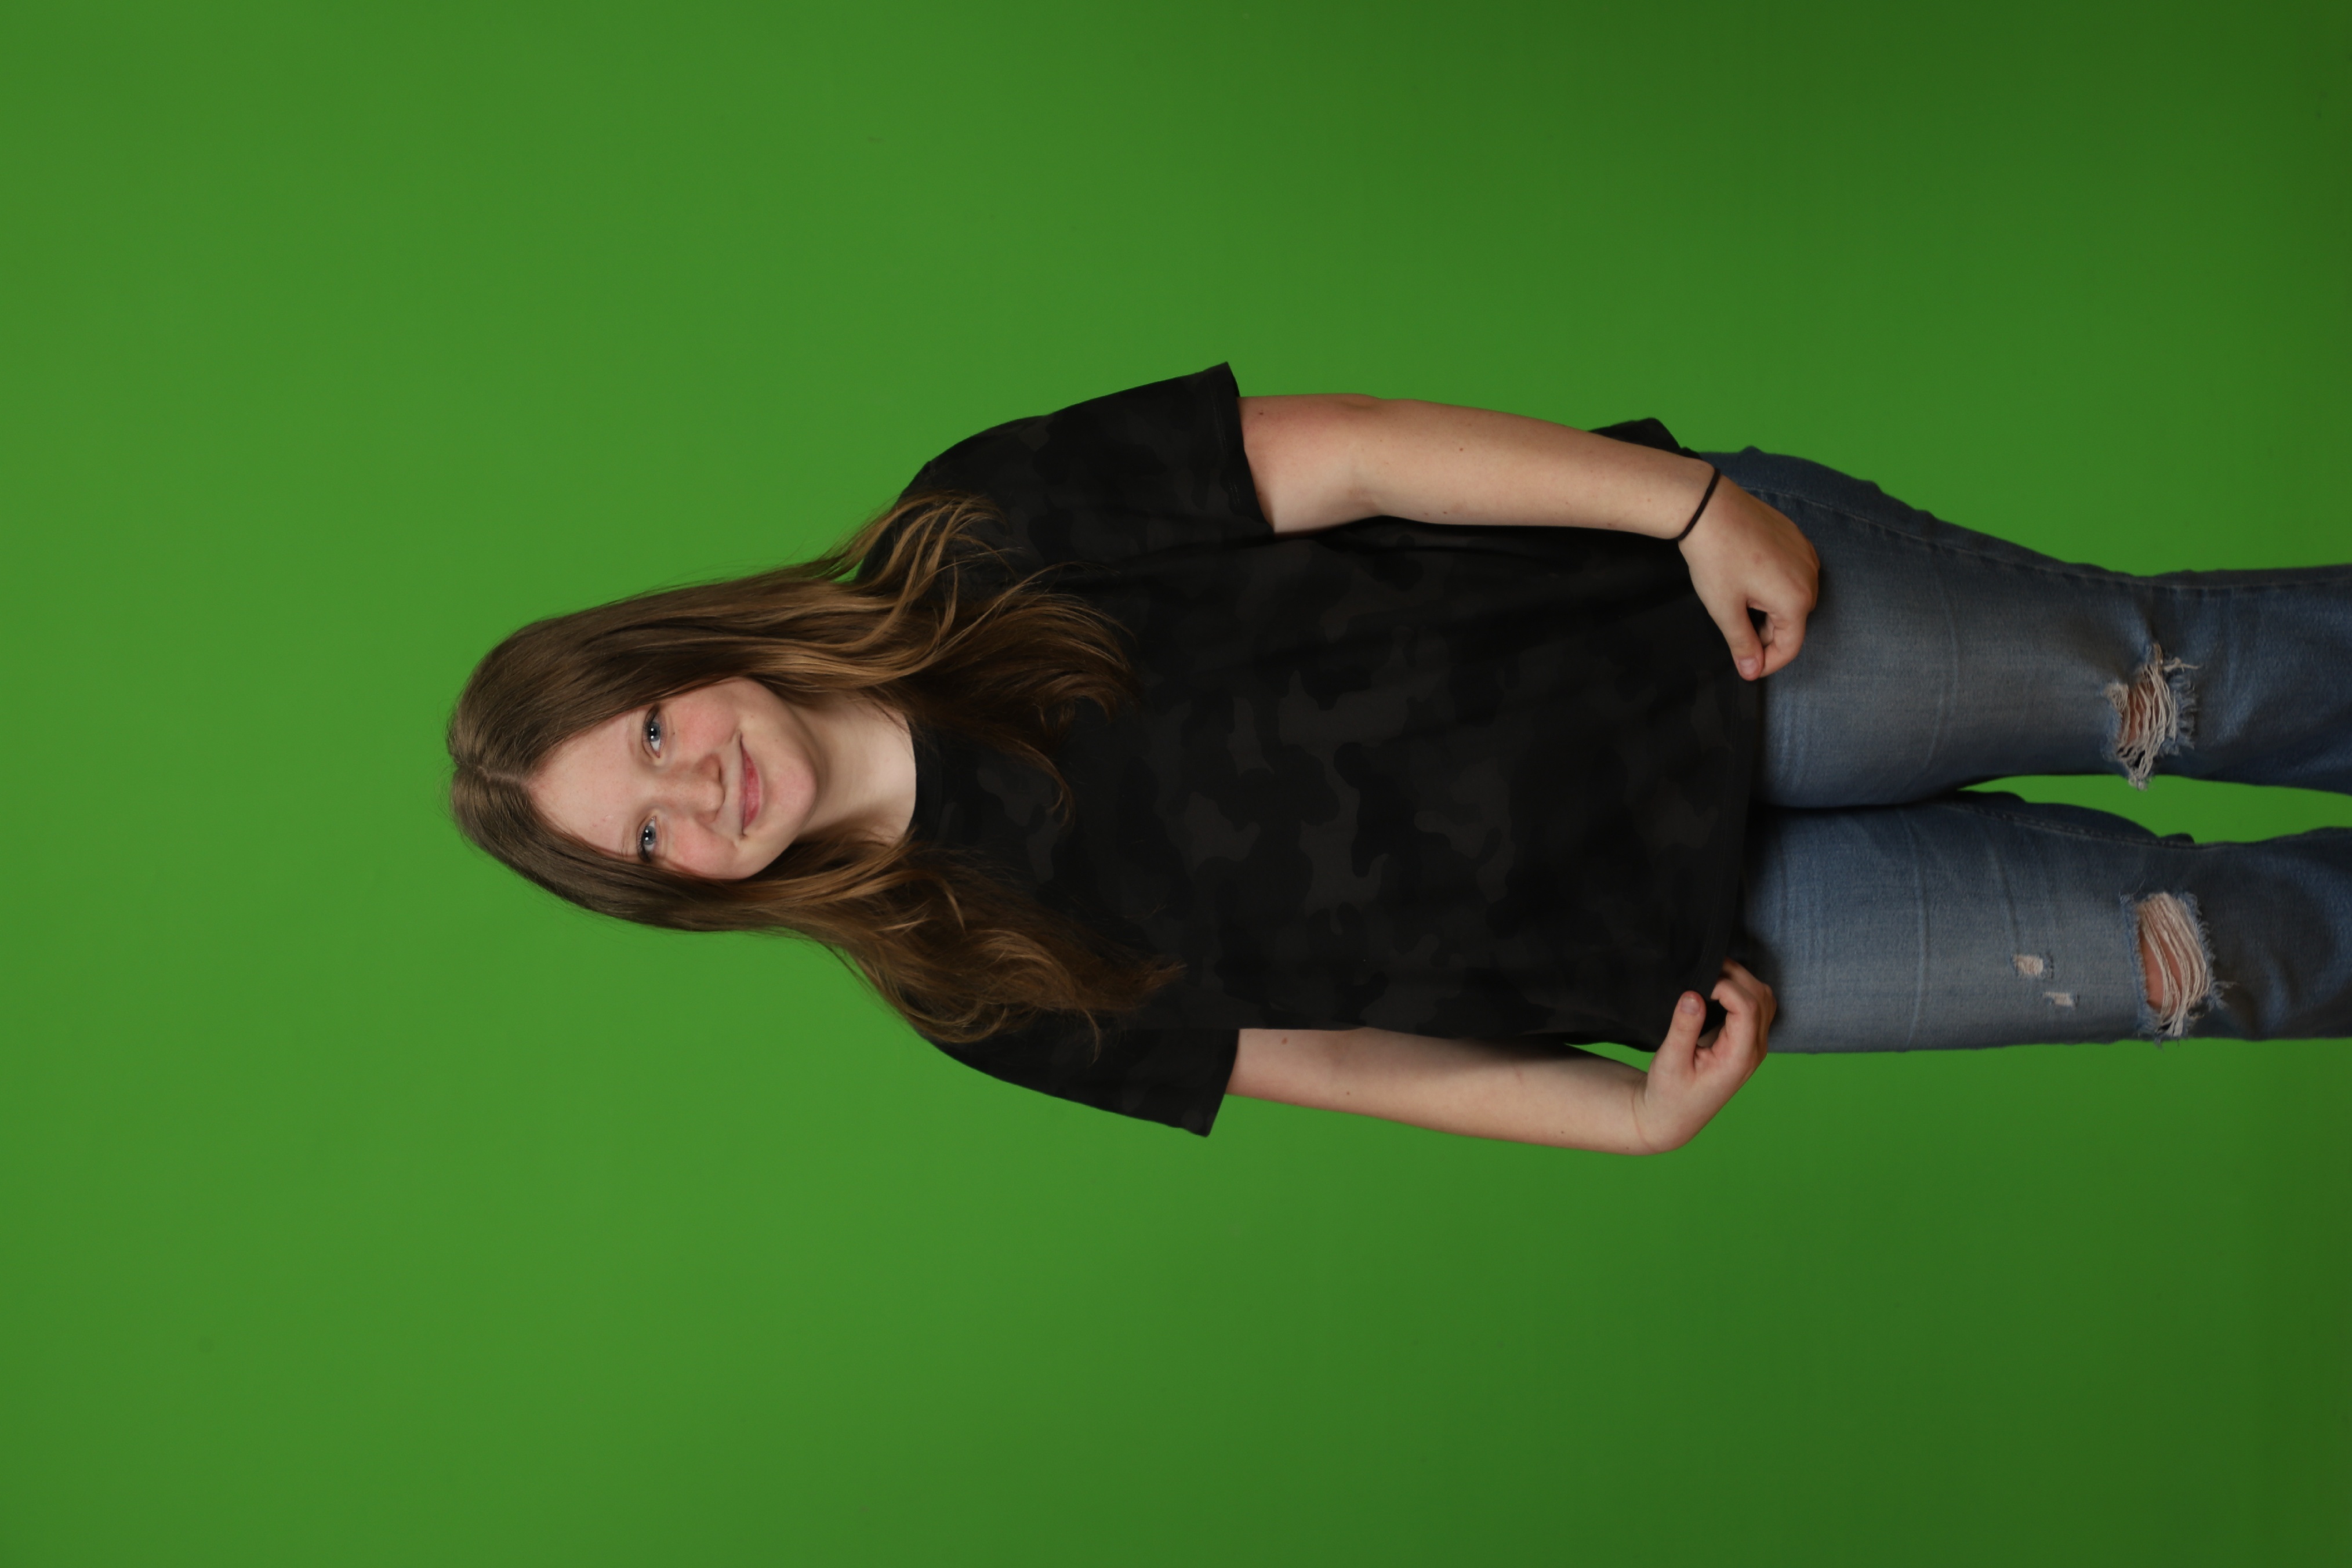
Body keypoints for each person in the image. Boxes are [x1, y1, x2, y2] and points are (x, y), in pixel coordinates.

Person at [448, 366, 2352, 1152]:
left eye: (653, 734)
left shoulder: (975, 530)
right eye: (650, 841)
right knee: (2204, 963)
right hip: (1709, 947)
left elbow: (1348, 452)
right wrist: (1613, 1123)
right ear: (678, 896)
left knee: (2165, 685)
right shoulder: (969, 986)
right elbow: (1321, 1057)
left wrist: (1689, 507)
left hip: (1704, 637)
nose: (695, 794)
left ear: (684, 658)